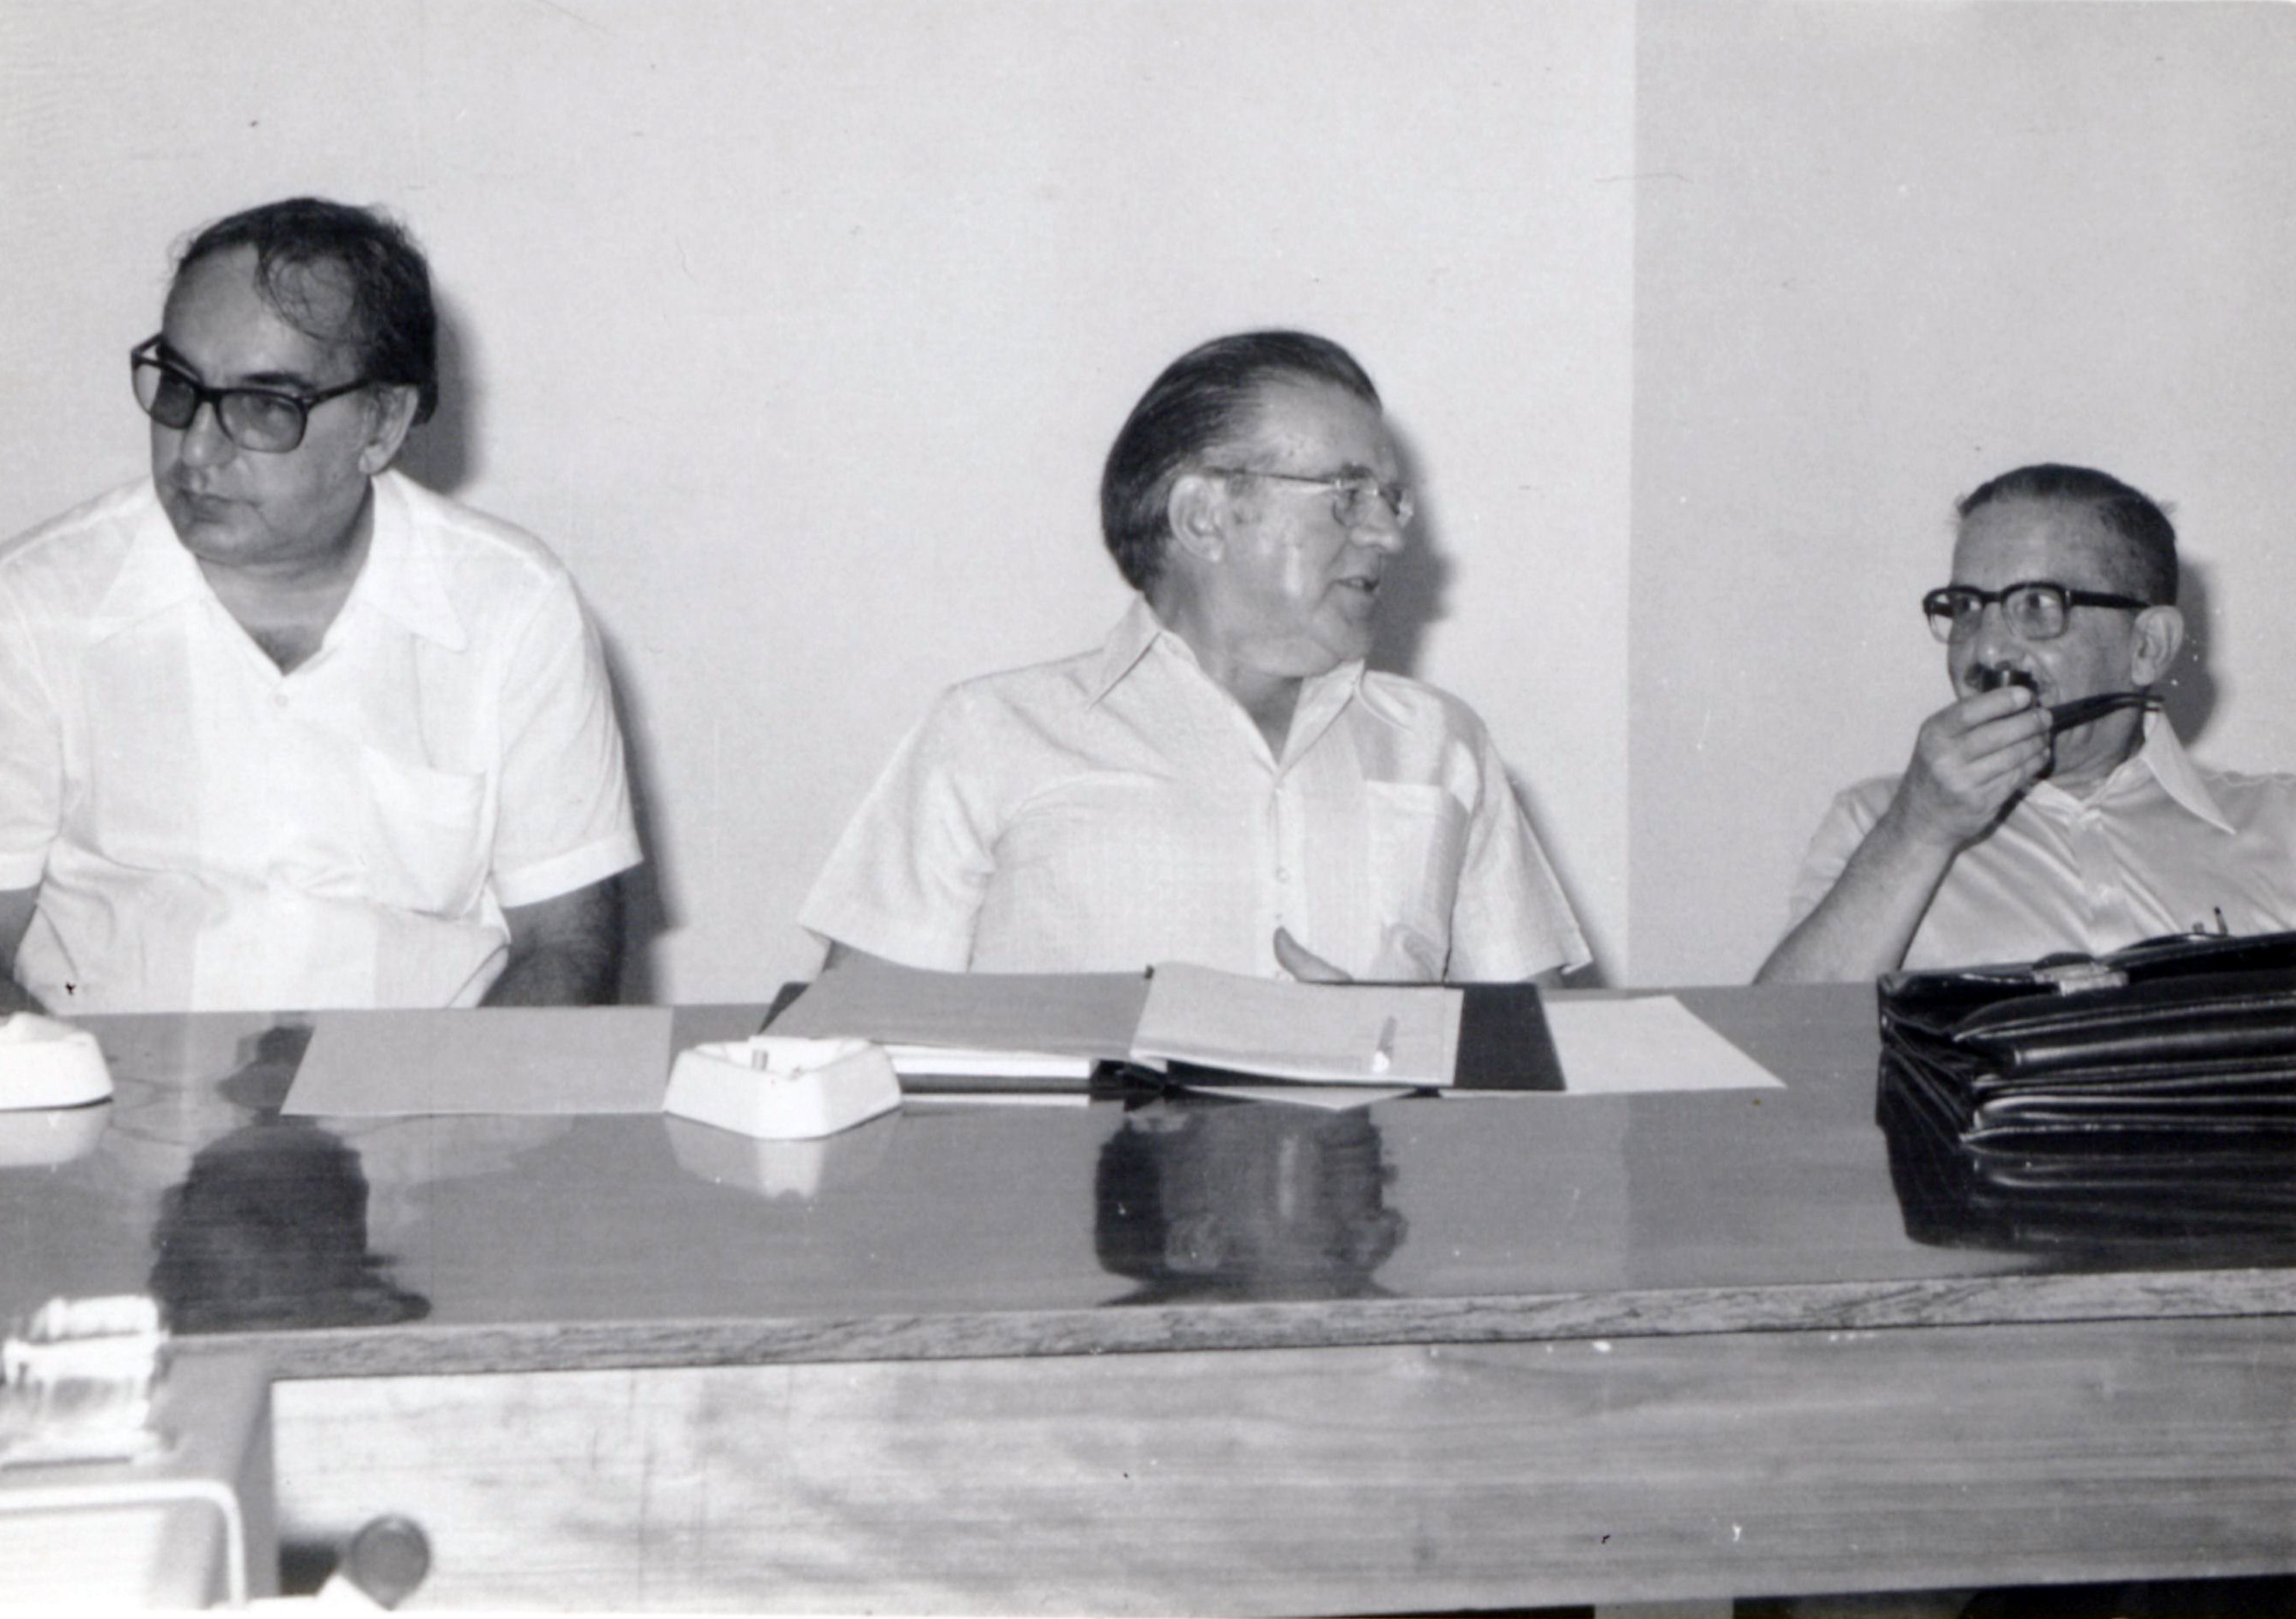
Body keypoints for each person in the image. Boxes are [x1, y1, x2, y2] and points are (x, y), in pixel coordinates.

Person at [0, 198, 641, 1013]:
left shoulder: (512, 607)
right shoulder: (33, 606)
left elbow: (566, 946)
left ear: (382, 425)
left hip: (426, 1083)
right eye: (180, 387)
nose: (195, 448)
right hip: (105, 1077)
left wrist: (461, 1099)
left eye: (266, 406)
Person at [802, 330, 1586, 983]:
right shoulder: (988, 733)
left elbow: (1539, 1061)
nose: (1386, 534)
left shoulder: (1440, 742)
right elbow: (852, 1049)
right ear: (1203, 516)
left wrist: (1385, 1043)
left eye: (1390, 501)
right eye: (1347, 494)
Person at [1759, 462, 2296, 983]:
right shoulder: (1875, 825)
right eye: (1966, 607)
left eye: (2037, 604)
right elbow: (1790, 1039)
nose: (1986, 649)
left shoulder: (2282, 823)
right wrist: (1919, 829)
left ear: (2148, 647)